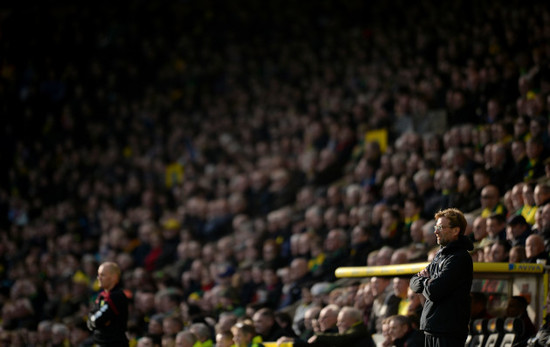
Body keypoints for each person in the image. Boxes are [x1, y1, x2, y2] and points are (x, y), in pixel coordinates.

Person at [410, 208, 473, 347]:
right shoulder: (440, 255)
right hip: (432, 329)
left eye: (440, 227)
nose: (435, 231)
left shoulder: (459, 258)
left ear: (456, 230)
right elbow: (413, 282)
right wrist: (426, 282)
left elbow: (434, 291)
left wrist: (425, 282)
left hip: (448, 331)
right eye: (435, 227)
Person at [87, 262, 129, 347]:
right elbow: (92, 314)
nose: (99, 278)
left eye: (103, 275)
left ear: (114, 277)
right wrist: (93, 320)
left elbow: (100, 318)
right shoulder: (102, 296)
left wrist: (93, 320)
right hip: (101, 343)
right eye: (98, 275)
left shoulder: (117, 296)